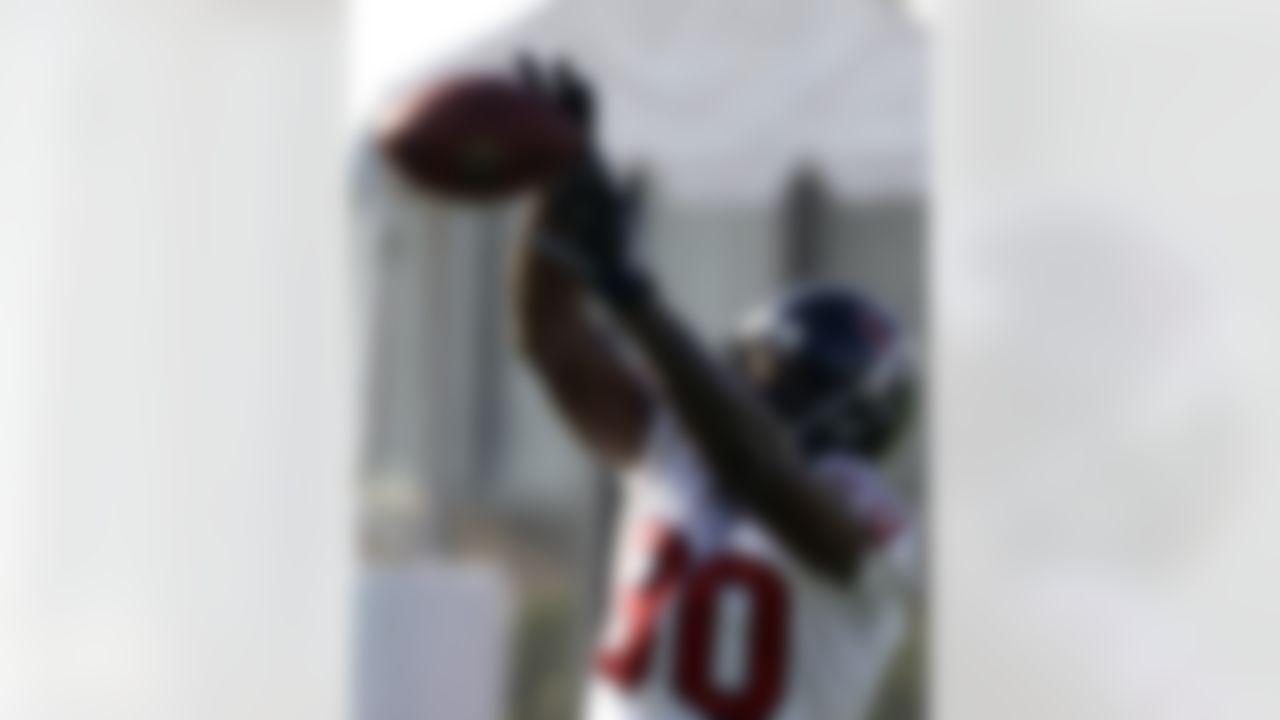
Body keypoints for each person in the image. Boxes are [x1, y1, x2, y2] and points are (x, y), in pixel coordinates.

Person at [511, 58, 920, 720]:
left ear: (829, 394)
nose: (741, 375)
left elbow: (759, 470)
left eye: (765, 363)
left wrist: (633, 297)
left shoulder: (869, 513)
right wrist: (555, 190)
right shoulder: (681, 444)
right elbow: (552, 344)